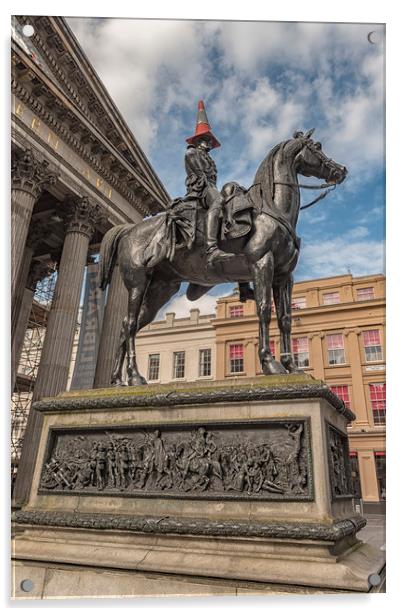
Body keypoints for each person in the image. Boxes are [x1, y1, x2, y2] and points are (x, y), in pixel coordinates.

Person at [185, 101, 235, 265]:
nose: (209, 143)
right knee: (219, 200)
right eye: (206, 140)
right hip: (200, 189)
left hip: (210, 187)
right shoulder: (192, 153)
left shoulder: (210, 159)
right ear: (198, 141)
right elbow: (201, 175)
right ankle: (211, 248)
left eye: (209, 140)